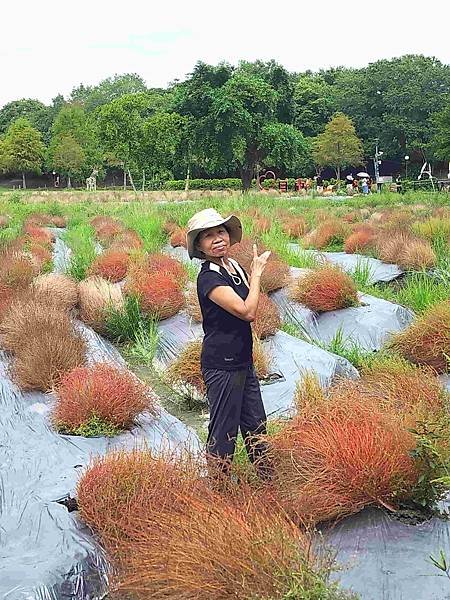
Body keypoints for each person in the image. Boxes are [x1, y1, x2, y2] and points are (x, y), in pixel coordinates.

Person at [186, 208, 272, 479]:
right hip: (221, 365)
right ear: (199, 246)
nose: (217, 238)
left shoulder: (232, 266)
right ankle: (219, 490)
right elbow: (247, 312)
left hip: (243, 361)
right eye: (208, 235)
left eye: (220, 231)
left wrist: (250, 274)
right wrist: (256, 273)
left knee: (256, 425)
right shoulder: (209, 278)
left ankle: (269, 482)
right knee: (224, 430)